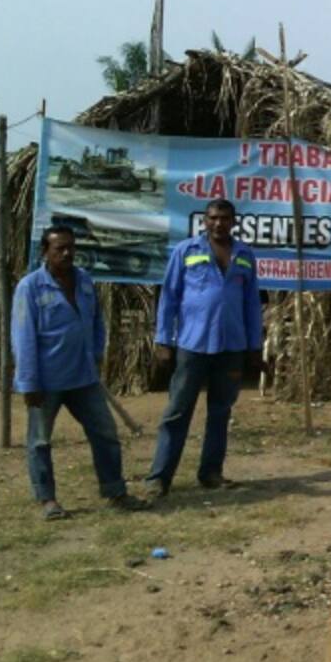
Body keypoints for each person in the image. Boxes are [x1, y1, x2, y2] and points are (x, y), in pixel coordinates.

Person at [12, 226, 150, 519]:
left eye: (70, 247)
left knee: (106, 434)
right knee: (39, 441)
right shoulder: (30, 287)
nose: (66, 253)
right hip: (46, 382)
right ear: (44, 252)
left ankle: (115, 491)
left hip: (84, 378)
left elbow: (97, 322)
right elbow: (23, 337)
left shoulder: (85, 281)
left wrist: (97, 353)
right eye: (59, 248)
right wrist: (28, 382)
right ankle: (47, 500)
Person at [146, 198, 263, 496]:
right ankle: (159, 478)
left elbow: (251, 303)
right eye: (213, 218)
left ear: (234, 222)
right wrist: (163, 340)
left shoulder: (245, 255)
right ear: (204, 221)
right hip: (192, 345)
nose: (218, 223)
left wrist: (254, 345)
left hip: (231, 347)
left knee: (221, 412)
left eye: (224, 218)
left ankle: (211, 473)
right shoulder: (186, 251)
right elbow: (169, 298)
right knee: (177, 412)